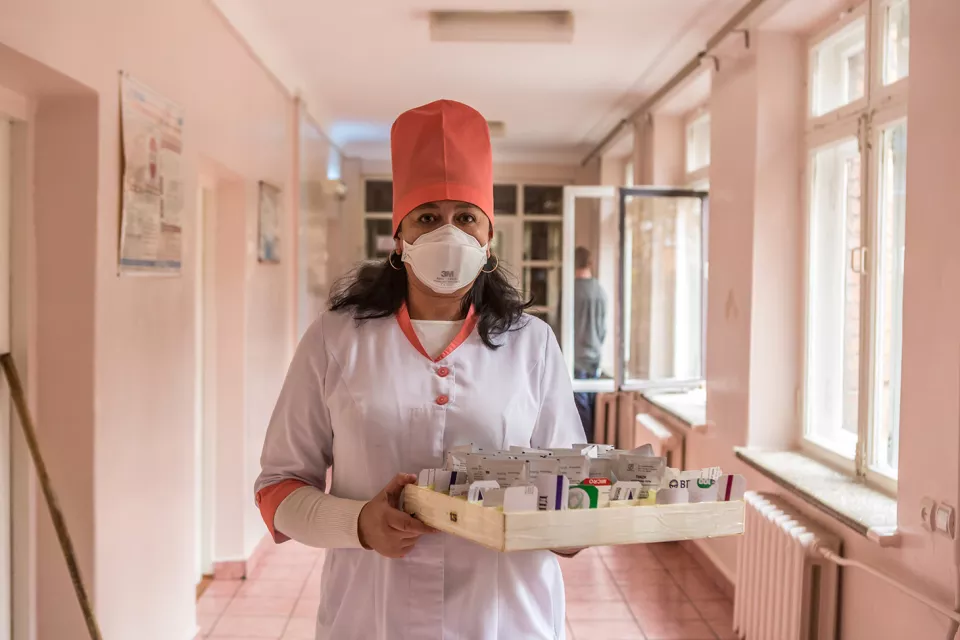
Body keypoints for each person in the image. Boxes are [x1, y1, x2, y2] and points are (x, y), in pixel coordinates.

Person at [254, 99, 585, 640]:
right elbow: (278, 488)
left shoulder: (534, 345)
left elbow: (567, 486)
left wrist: (575, 522)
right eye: (429, 217)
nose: (447, 233)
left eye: (466, 217)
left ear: (488, 237)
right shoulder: (336, 339)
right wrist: (356, 522)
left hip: (506, 619)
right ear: (399, 236)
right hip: (373, 617)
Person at [572, 246, 607, 441]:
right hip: (594, 358)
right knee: (593, 415)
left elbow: (561, 326)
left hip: (575, 360)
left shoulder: (571, 291)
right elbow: (603, 329)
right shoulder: (600, 291)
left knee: (580, 419)